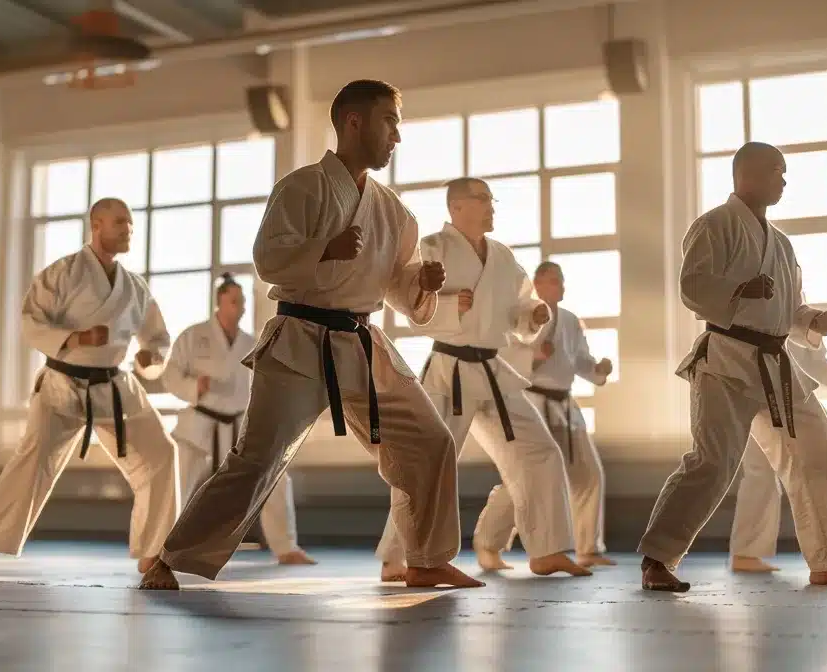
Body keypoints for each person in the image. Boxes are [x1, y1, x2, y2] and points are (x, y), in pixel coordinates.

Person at [141, 79, 479, 591]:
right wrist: (327, 247)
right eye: (389, 123)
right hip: (300, 338)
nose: (396, 137)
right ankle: (170, 557)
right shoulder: (303, 187)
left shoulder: (394, 212)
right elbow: (268, 259)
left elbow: (401, 292)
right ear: (354, 121)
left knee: (430, 441)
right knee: (258, 459)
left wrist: (422, 283)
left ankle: (427, 558)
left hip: (361, 343)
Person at [638, 142, 827, 592]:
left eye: (784, 174)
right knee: (713, 461)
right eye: (777, 172)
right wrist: (740, 289)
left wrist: (812, 320)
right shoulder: (714, 225)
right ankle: (658, 559)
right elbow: (693, 287)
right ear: (746, 174)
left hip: (775, 364)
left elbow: (789, 307)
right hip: (726, 358)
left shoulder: (782, 244)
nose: (784, 181)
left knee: (823, 451)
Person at [377, 178, 588, 579]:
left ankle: (545, 550)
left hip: (493, 371)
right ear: (456, 207)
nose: (491, 206)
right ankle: (397, 558)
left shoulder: (504, 257)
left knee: (540, 451)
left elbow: (522, 306)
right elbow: (409, 300)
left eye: (492, 199)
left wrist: (533, 315)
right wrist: (445, 304)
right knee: (426, 462)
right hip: (449, 372)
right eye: (482, 199)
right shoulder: (433, 247)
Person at [0, 197, 176, 576]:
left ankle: (153, 549)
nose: (128, 229)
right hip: (64, 383)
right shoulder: (62, 273)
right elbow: (31, 321)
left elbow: (157, 338)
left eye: (130, 224)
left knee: (161, 452)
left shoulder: (135, 287)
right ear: (96, 225)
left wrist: (150, 359)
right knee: (32, 460)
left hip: (114, 384)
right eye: (119, 223)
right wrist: (75, 339)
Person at [161, 274, 315, 566]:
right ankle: (164, 547)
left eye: (242, 301)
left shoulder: (250, 341)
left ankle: (286, 547)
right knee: (179, 482)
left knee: (275, 476)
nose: (240, 307)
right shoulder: (193, 337)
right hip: (200, 422)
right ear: (219, 302)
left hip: (240, 424)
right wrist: (194, 387)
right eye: (234, 301)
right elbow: (170, 375)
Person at [472, 261, 615, 569]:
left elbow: (580, 361)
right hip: (531, 402)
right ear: (536, 284)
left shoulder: (571, 321)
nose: (559, 286)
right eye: (552, 280)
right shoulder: (521, 316)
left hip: (565, 404)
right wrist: (535, 358)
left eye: (561, 281)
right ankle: (487, 543)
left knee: (588, 474)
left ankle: (588, 547)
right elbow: (502, 361)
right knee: (523, 478)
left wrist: (598, 371)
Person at [726, 325, 827, 572]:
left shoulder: (798, 307)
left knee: (763, 475)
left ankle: (747, 552)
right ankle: (746, 553)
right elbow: (806, 362)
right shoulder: (775, 308)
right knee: (761, 474)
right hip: (760, 388)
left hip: (782, 393)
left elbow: (812, 362)